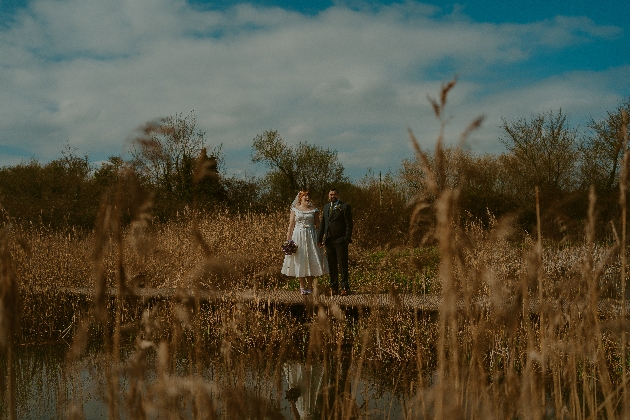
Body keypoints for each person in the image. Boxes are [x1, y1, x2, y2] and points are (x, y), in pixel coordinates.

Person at [281, 191, 328, 295]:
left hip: (311, 235)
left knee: (311, 258)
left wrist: (321, 237)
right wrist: (288, 238)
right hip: (298, 236)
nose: (307, 197)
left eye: (308, 196)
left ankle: (310, 286)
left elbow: (318, 224)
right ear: (300, 198)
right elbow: (291, 224)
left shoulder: (314, 209)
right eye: (305, 196)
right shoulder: (295, 209)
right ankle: (302, 286)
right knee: (300, 259)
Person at [318, 188, 353, 296]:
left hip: (340, 240)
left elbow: (349, 224)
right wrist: (319, 238)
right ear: (328, 196)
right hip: (329, 241)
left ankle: (345, 287)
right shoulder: (326, 208)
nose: (333, 196)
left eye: (334, 194)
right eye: (331, 194)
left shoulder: (344, 207)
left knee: (342, 265)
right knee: (331, 265)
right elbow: (323, 224)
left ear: (338, 195)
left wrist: (346, 239)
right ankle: (334, 287)